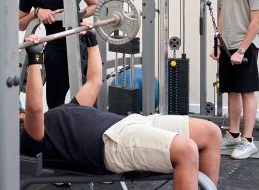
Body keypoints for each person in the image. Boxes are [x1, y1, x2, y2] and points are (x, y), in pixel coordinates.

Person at [20, 30, 221, 190]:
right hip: (112, 142)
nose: (18, 112)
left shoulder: (68, 108)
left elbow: (94, 82)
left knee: (212, 133)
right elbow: (35, 108)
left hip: (133, 122)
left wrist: (91, 43)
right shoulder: (31, 137)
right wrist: (36, 60)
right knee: (186, 150)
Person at [19, 0, 98, 109]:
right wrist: (37, 12)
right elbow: (20, 24)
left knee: (89, 102)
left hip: (80, 45)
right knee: (55, 105)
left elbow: (94, 5)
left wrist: (76, 14)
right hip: (54, 51)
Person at [210, 0, 259, 159]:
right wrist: (218, 44)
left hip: (245, 46)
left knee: (246, 92)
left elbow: (256, 22)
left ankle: (248, 140)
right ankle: (233, 135)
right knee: (231, 90)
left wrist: (241, 50)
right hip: (228, 45)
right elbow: (222, 14)